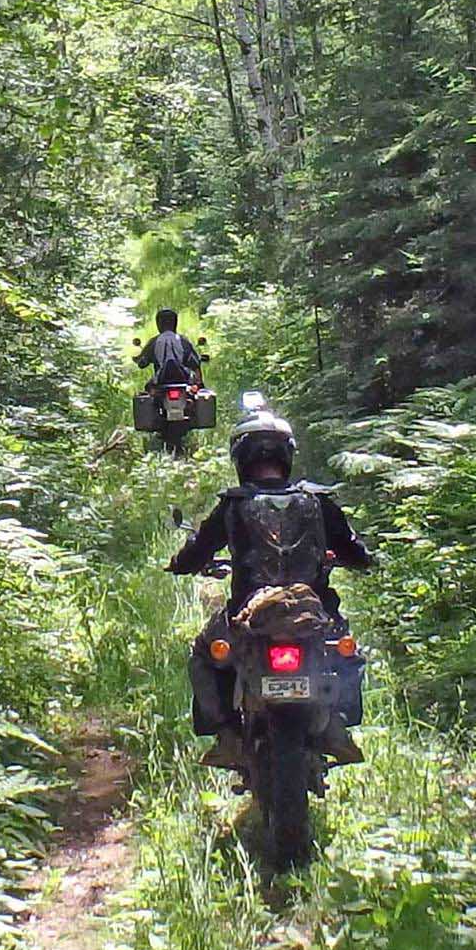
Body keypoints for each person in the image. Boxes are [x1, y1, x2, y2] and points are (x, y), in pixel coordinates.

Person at [167, 403, 373, 771]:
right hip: (314, 613)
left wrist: (181, 565)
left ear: (241, 456)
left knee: (205, 654)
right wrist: (360, 559)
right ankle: (338, 727)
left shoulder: (234, 504)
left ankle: (227, 736)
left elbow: (197, 550)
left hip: (251, 616)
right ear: (287, 454)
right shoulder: (317, 499)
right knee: (347, 652)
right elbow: (354, 551)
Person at [134, 308, 203, 389]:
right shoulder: (183, 341)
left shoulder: (154, 342)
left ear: (158, 324)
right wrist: (199, 384)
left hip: (160, 381)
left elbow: (142, 363)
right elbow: (195, 364)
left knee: (148, 389)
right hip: (184, 380)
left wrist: (136, 358)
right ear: (175, 323)